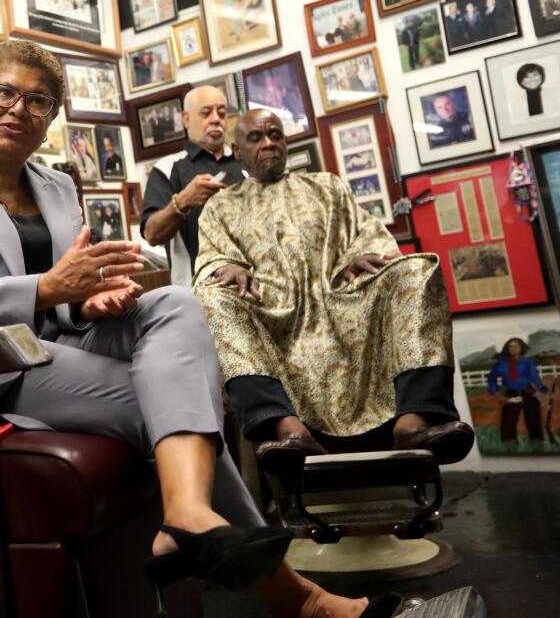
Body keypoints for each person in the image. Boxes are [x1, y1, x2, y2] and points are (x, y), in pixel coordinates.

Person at [0, 41, 395, 617]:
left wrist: (87, 301)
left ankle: (186, 517)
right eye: (5, 92)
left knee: (177, 302)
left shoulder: (53, 186)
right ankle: (295, 595)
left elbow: (59, 305)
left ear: (51, 118)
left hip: (50, 342)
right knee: (166, 401)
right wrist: (53, 288)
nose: (19, 109)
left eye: (39, 101)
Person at [193, 109, 474, 470]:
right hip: (268, 317)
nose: (269, 144)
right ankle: (284, 426)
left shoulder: (327, 186)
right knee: (211, 297)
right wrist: (225, 265)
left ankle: (416, 419)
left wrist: (360, 256)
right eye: (256, 138)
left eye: (276, 135)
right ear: (237, 150)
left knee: (416, 270)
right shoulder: (220, 207)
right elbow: (211, 259)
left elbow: (367, 237)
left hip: (341, 306)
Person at [140, 86, 243, 287]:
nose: (216, 119)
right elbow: (151, 235)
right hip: (198, 291)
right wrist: (182, 202)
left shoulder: (245, 165)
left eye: (222, 113)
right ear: (186, 119)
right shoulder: (167, 169)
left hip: (253, 287)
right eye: (206, 113)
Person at [487, 337, 550, 444]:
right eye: (510, 346)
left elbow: (535, 377)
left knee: (534, 418)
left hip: (528, 391)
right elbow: (491, 378)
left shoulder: (528, 362)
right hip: (511, 392)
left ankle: (537, 441)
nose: (513, 349)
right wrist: (496, 393)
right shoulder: (500, 364)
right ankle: (509, 443)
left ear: (521, 348)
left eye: (516, 346)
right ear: (507, 348)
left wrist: (542, 388)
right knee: (508, 419)